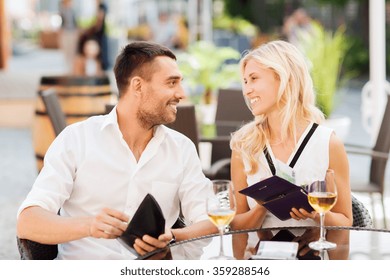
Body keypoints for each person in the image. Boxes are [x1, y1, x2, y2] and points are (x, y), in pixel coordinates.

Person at [17, 41, 216, 260]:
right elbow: (28, 222)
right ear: (138, 86)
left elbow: (209, 219)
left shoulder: (182, 149)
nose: (182, 93)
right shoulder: (77, 139)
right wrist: (89, 225)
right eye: (172, 83)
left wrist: (172, 237)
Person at [229, 40, 352, 258]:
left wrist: (317, 216)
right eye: (245, 81)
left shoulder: (328, 143)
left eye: (254, 79)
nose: (247, 90)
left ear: (284, 77)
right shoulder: (243, 145)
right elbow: (236, 224)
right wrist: (263, 206)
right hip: (260, 261)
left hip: (313, 260)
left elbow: (344, 220)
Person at [58, 0, 79, 73]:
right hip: (65, 33)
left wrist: (76, 33)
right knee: (66, 51)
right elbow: (62, 23)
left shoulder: (73, 11)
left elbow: (75, 23)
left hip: (72, 33)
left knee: (72, 51)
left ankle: (72, 68)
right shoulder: (62, 10)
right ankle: (67, 68)